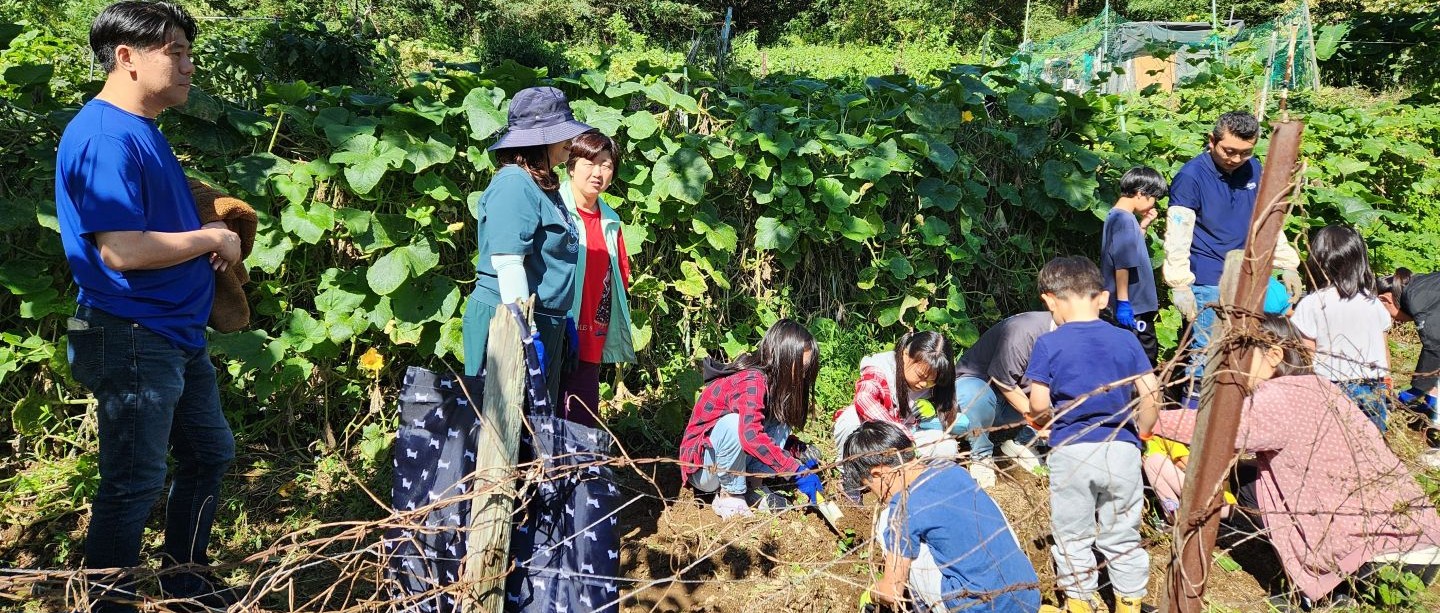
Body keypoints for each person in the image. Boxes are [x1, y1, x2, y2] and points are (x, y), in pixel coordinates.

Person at [56, 3, 241, 610]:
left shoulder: (141, 130)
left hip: (172, 333)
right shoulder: (106, 136)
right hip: (133, 332)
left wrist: (201, 228)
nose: (188, 66)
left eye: (190, 52)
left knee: (209, 454)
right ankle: (107, 601)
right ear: (127, 57)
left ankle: (186, 583)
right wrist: (211, 239)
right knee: (134, 481)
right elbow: (122, 250)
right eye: (176, 52)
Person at [1153, 315, 1440, 608]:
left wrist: (1149, 420)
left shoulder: (1281, 396)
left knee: (1243, 481)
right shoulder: (1321, 387)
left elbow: (1221, 430)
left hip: (1377, 560)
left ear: (1275, 354)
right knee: (1252, 476)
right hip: (1420, 548)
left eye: (1240, 360)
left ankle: (1335, 588)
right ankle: (1333, 586)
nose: (1233, 372)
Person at [1023, 256, 1160, 613]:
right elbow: (1151, 392)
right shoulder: (1127, 340)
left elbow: (1038, 403)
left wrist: (1043, 421)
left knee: (1073, 533)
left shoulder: (1049, 344)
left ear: (1049, 300)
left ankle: (1081, 602)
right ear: (1102, 298)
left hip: (1072, 449)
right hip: (1122, 448)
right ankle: (1129, 601)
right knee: (1122, 532)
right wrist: (1142, 431)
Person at [463, 86, 594, 405]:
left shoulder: (541, 183)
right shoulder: (514, 183)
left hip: (542, 321)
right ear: (542, 139)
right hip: (508, 318)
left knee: (531, 430)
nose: (570, 142)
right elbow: (509, 263)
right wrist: (523, 331)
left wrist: (562, 319)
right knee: (502, 425)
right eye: (563, 133)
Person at [1163, 111, 1301, 396]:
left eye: (1245, 152)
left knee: (1248, 350)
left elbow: (1268, 218)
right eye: (1229, 151)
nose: (1236, 159)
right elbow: (1178, 232)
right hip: (1209, 278)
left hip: (1250, 276)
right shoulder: (1191, 177)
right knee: (1207, 354)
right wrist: (1179, 283)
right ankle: (1195, 418)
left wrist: (1287, 263)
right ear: (1211, 141)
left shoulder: (1255, 170)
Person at [845, 421, 1042, 612]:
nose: (877, 496)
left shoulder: (903, 506)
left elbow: (891, 592)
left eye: (869, 487)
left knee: (886, 526)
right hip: (1029, 594)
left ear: (879, 474)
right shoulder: (950, 468)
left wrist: (872, 593)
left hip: (979, 609)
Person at [678, 320, 822, 518]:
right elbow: (751, 436)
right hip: (704, 470)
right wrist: (796, 471)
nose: (802, 376)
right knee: (733, 423)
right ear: (780, 358)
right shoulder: (752, 380)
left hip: (731, 460)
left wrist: (793, 450)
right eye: (800, 368)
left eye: (806, 370)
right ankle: (730, 495)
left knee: (783, 414)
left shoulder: (773, 386)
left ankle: (754, 487)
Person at [557, 131, 634, 427]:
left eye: (606, 164)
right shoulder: (554, 209)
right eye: (590, 163)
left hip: (590, 333)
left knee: (581, 417)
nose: (598, 172)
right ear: (571, 166)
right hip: (553, 327)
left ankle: (578, 471)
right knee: (545, 409)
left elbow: (619, 279)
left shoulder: (611, 221)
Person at [1290, 225, 1392, 431]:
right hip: (1372, 384)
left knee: (1332, 439)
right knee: (1372, 441)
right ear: (1360, 261)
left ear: (1318, 261)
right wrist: (1388, 381)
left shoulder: (1312, 303)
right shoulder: (1372, 302)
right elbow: (1384, 347)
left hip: (1329, 386)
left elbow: (1305, 355)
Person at [951, 312, 1052, 488]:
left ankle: (1024, 443)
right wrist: (1040, 421)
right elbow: (1003, 381)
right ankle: (981, 456)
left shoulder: (1076, 341)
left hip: (1013, 404)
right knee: (975, 394)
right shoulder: (1024, 331)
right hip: (981, 391)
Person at [832, 331, 958, 466]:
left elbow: (945, 419)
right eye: (920, 376)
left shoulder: (935, 382)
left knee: (947, 446)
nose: (923, 384)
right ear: (905, 355)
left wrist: (932, 410)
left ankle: (915, 475)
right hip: (875, 435)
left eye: (931, 381)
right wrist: (897, 431)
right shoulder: (882, 366)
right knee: (850, 419)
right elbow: (864, 398)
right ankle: (847, 471)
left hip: (911, 439)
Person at [1101, 166, 1167, 366]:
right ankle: (1143, 396)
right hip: (1134, 304)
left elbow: (1129, 247)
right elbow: (1122, 263)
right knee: (1144, 359)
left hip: (1129, 302)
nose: (1154, 202)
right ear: (1141, 193)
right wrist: (1124, 303)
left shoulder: (1117, 215)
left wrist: (1144, 225)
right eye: (1154, 197)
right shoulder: (1124, 220)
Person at [1377, 269, 1440, 463]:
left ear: (1385, 299)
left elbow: (1434, 350)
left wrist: (1409, 394)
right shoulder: (1420, 284)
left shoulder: (1417, 299)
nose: (1395, 321)